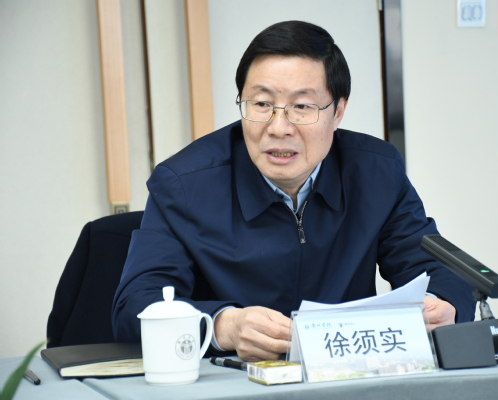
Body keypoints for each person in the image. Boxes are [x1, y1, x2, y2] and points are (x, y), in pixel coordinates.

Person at [112, 20, 475, 361]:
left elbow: (439, 269)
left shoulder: (375, 173)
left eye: (302, 106)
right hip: (232, 383)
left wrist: (442, 304)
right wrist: (223, 325)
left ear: (338, 111)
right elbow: (136, 305)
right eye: (261, 104)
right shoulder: (183, 184)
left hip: (345, 379)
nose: (278, 127)